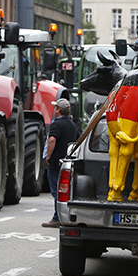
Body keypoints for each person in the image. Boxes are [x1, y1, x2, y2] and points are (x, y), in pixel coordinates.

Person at [42, 98, 79, 228]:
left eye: (55, 108)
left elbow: (52, 139)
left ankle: (57, 218)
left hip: (56, 162)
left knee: (56, 191)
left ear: (58, 110)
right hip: (67, 162)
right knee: (65, 191)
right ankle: (64, 216)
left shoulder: (57, 124)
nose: (54, 110)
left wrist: (48, 156)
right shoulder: (72, 125)